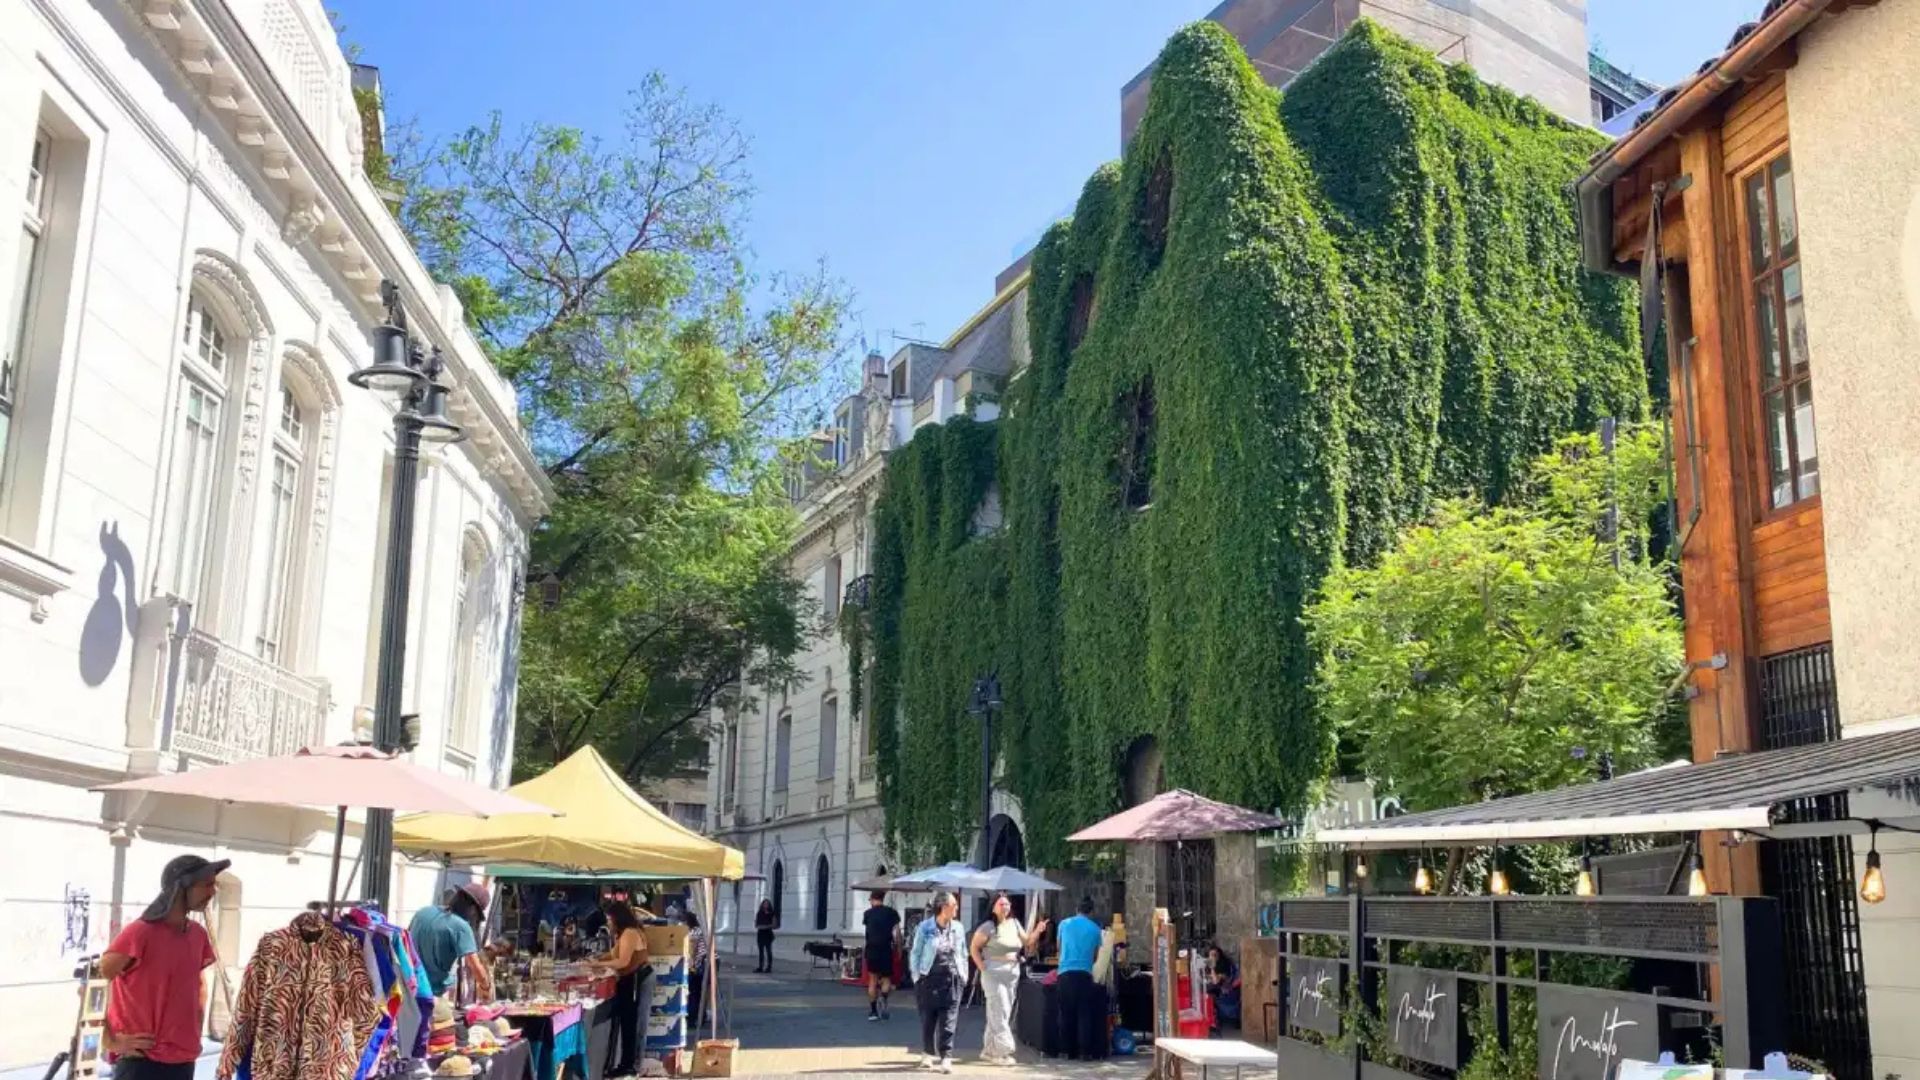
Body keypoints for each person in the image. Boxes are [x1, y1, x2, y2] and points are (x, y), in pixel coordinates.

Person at [100, 854, 229, 1080]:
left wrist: (193, 1034)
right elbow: (93, 983)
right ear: (182, 886)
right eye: (207, 885)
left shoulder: (197, 935)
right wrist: (110, 1040)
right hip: (141, 1061)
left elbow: (198, 985)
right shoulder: (140, 932)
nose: (213, 892)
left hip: (182, 1060)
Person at [969, 892, 1048, 1066]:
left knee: (1000, 1011)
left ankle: (989, 1050)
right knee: (1000, 1010)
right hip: (994, 972)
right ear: (994, 907)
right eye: (1001, 904)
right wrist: (982, 967)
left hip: (1012, 973)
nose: (1005, 907)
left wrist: (1038, 930)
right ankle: (1002, 1051)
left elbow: (1027, 942)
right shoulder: (987, 926)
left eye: (1007, 904)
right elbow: (974, 948)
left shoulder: (1014, 923)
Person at [909, 891, 968, 1074]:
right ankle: (927, 1053)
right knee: (928, 1018)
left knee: (949, 1020)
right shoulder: (925, 927)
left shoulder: (958, 927)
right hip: (929, 978)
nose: (957, 908)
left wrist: (963, 974)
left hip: (951, 978)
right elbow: (915, 953)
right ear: (944, 907)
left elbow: (963, 952)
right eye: (954, 905)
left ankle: (946, 1057)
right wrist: (917, 977)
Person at [409, 882, 493, 1000]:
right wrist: (486, 988)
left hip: (409, 987)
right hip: (434, 993)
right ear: (473, 909)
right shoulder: (461, 926)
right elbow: (474, 965)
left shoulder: (422, 912)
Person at [597, 899, 651, 1079]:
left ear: (617, 918)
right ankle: (625, 1063)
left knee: (634, 1022)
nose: (608, 923)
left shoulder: (630, 933)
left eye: (609, 919)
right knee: (628, 1021)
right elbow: (614, 955)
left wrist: (597, 964)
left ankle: (630, 1065)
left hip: (637, 978)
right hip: (630, 978)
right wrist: (597, 959)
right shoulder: (623, 934)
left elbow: (623, 961)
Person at [1054, 896, 1105, 1061]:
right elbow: (1096, 955)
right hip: (1084, 973)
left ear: (1076, 909)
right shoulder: (1096, 929)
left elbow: (1059, 948)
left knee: (1065, 1012)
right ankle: (1085, 1052)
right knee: (1084, 1013)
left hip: (1065, 972)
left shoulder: (1064, 924)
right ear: (1091, 911)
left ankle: (1065, 1050)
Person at [861, 890, 902, 1021]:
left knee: (872, 980)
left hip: (872, 949)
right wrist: (899, 948)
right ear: (883, 899)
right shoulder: (892, 913)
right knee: (886, 979)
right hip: (886, 949)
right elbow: (897, 933)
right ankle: (883, 998)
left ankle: (873, 1012)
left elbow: (868, 932)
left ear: (873, 899)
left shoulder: (867, 914)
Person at [1206, 943, 1241, 1031]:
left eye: (1215, 955)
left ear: (1219, 955)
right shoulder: (1209, 965)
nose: (1213, 957)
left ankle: (1213, 1021)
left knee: (1209, 994)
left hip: (1225, 990)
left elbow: (1216, 981)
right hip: (1215, 988)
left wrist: (1212, 968)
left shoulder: (1225, 966)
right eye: (1211, 955)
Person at [683, 909, 708, 1031]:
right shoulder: (699, 931)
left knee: (693, 993)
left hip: (700, 965)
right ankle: (701, 1016)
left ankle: (693, 1018)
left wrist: (694, 967)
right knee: (700, 993)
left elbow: (697, 953)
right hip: (703, 964)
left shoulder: (693, 933)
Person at [753, 899, 778, 973]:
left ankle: (769, 967)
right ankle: (760, 967)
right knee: (761, 951)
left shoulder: (772, 913)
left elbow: (774, 925)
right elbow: (756, 924)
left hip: (768, 934)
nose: (766, 905)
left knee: (768, 951)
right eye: (764, 904)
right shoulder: (759, 913)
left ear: (769, 905)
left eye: (767, 904)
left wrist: (766, 926)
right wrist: (762, 926)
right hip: (760, 934)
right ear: (762, 905)